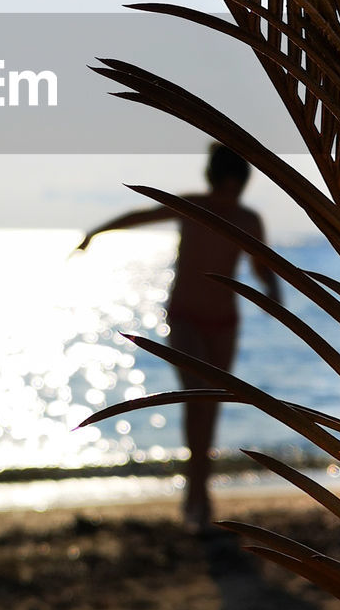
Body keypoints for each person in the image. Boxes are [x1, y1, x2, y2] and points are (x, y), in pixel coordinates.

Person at [76, 145, 279, 532]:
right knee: (196, 397)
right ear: (221, 180)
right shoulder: (193, 206)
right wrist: (96, 232)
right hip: (185, 319)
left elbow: (262, 267)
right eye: (226, 186)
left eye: (233, 190)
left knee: (211, 407)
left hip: (224, 324)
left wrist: (277, 297)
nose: (228, 196)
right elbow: (143, 215)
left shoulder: (248, 219)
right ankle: (196, 495)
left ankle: (199, 493)